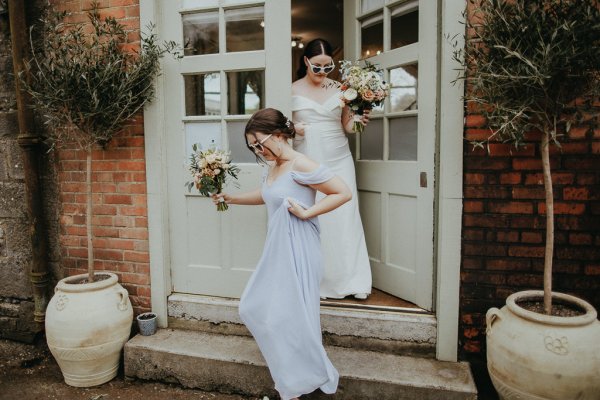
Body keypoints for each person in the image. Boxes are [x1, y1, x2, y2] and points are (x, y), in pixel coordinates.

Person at [213, 108, 351, 400]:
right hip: (278, 247)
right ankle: (296, 378)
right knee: (254, 307)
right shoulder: (272, 167)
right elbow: (266, 196)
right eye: (252, 147)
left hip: (300, 247)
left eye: (260, 143)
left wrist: (308, 211)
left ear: (279, 134)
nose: (258, 150)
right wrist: (231, 198)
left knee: (294, 316)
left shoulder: (301, 165)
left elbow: (342, 192)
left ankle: (298, 384)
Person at [292, 38, 372, 300]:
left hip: (339, 158)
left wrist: (360, 118)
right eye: (317, 67)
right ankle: (319, 280)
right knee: (316, 217)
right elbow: (280, 131)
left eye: (328, 67)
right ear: (306, 62)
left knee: (345, 216)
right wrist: (294, 129)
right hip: (308, 158)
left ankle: (352, 280)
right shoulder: (290, 90)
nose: (322, 73)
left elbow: (349, 127)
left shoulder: (341, 89)